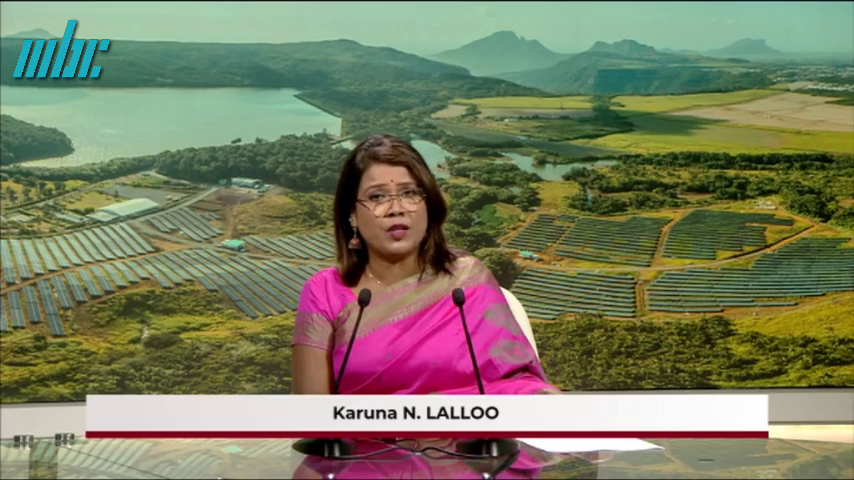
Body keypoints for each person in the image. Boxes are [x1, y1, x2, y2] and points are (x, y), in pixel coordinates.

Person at [290, 133, 560, 395]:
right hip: (365, 430)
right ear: (352, 214)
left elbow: (516, 381)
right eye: (377, 197)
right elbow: (310, 414)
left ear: (428, 205)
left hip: (469, 427)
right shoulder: (325, 291)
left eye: (410, 193)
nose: (397, 208)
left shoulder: (467, 282)